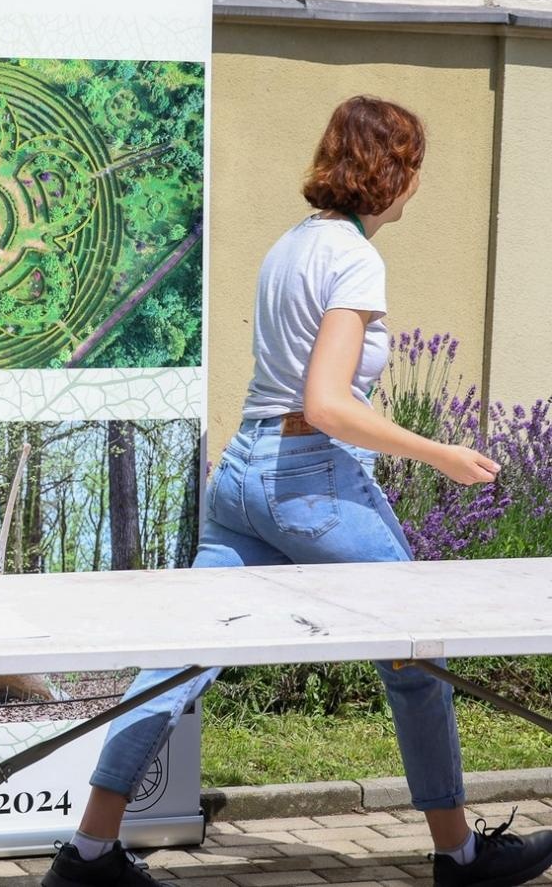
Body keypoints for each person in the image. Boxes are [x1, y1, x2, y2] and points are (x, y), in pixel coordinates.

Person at [41, 97, 552, 887]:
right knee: (417, 650)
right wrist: (438, 452)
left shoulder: (287, 246)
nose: (417, 185)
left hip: (241, 475)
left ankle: (90, 850)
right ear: (393, 171)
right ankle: (460, 854)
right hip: (308, 480)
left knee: (181, 660)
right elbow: (327, 403)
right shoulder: (355, 259)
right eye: (414, 167)